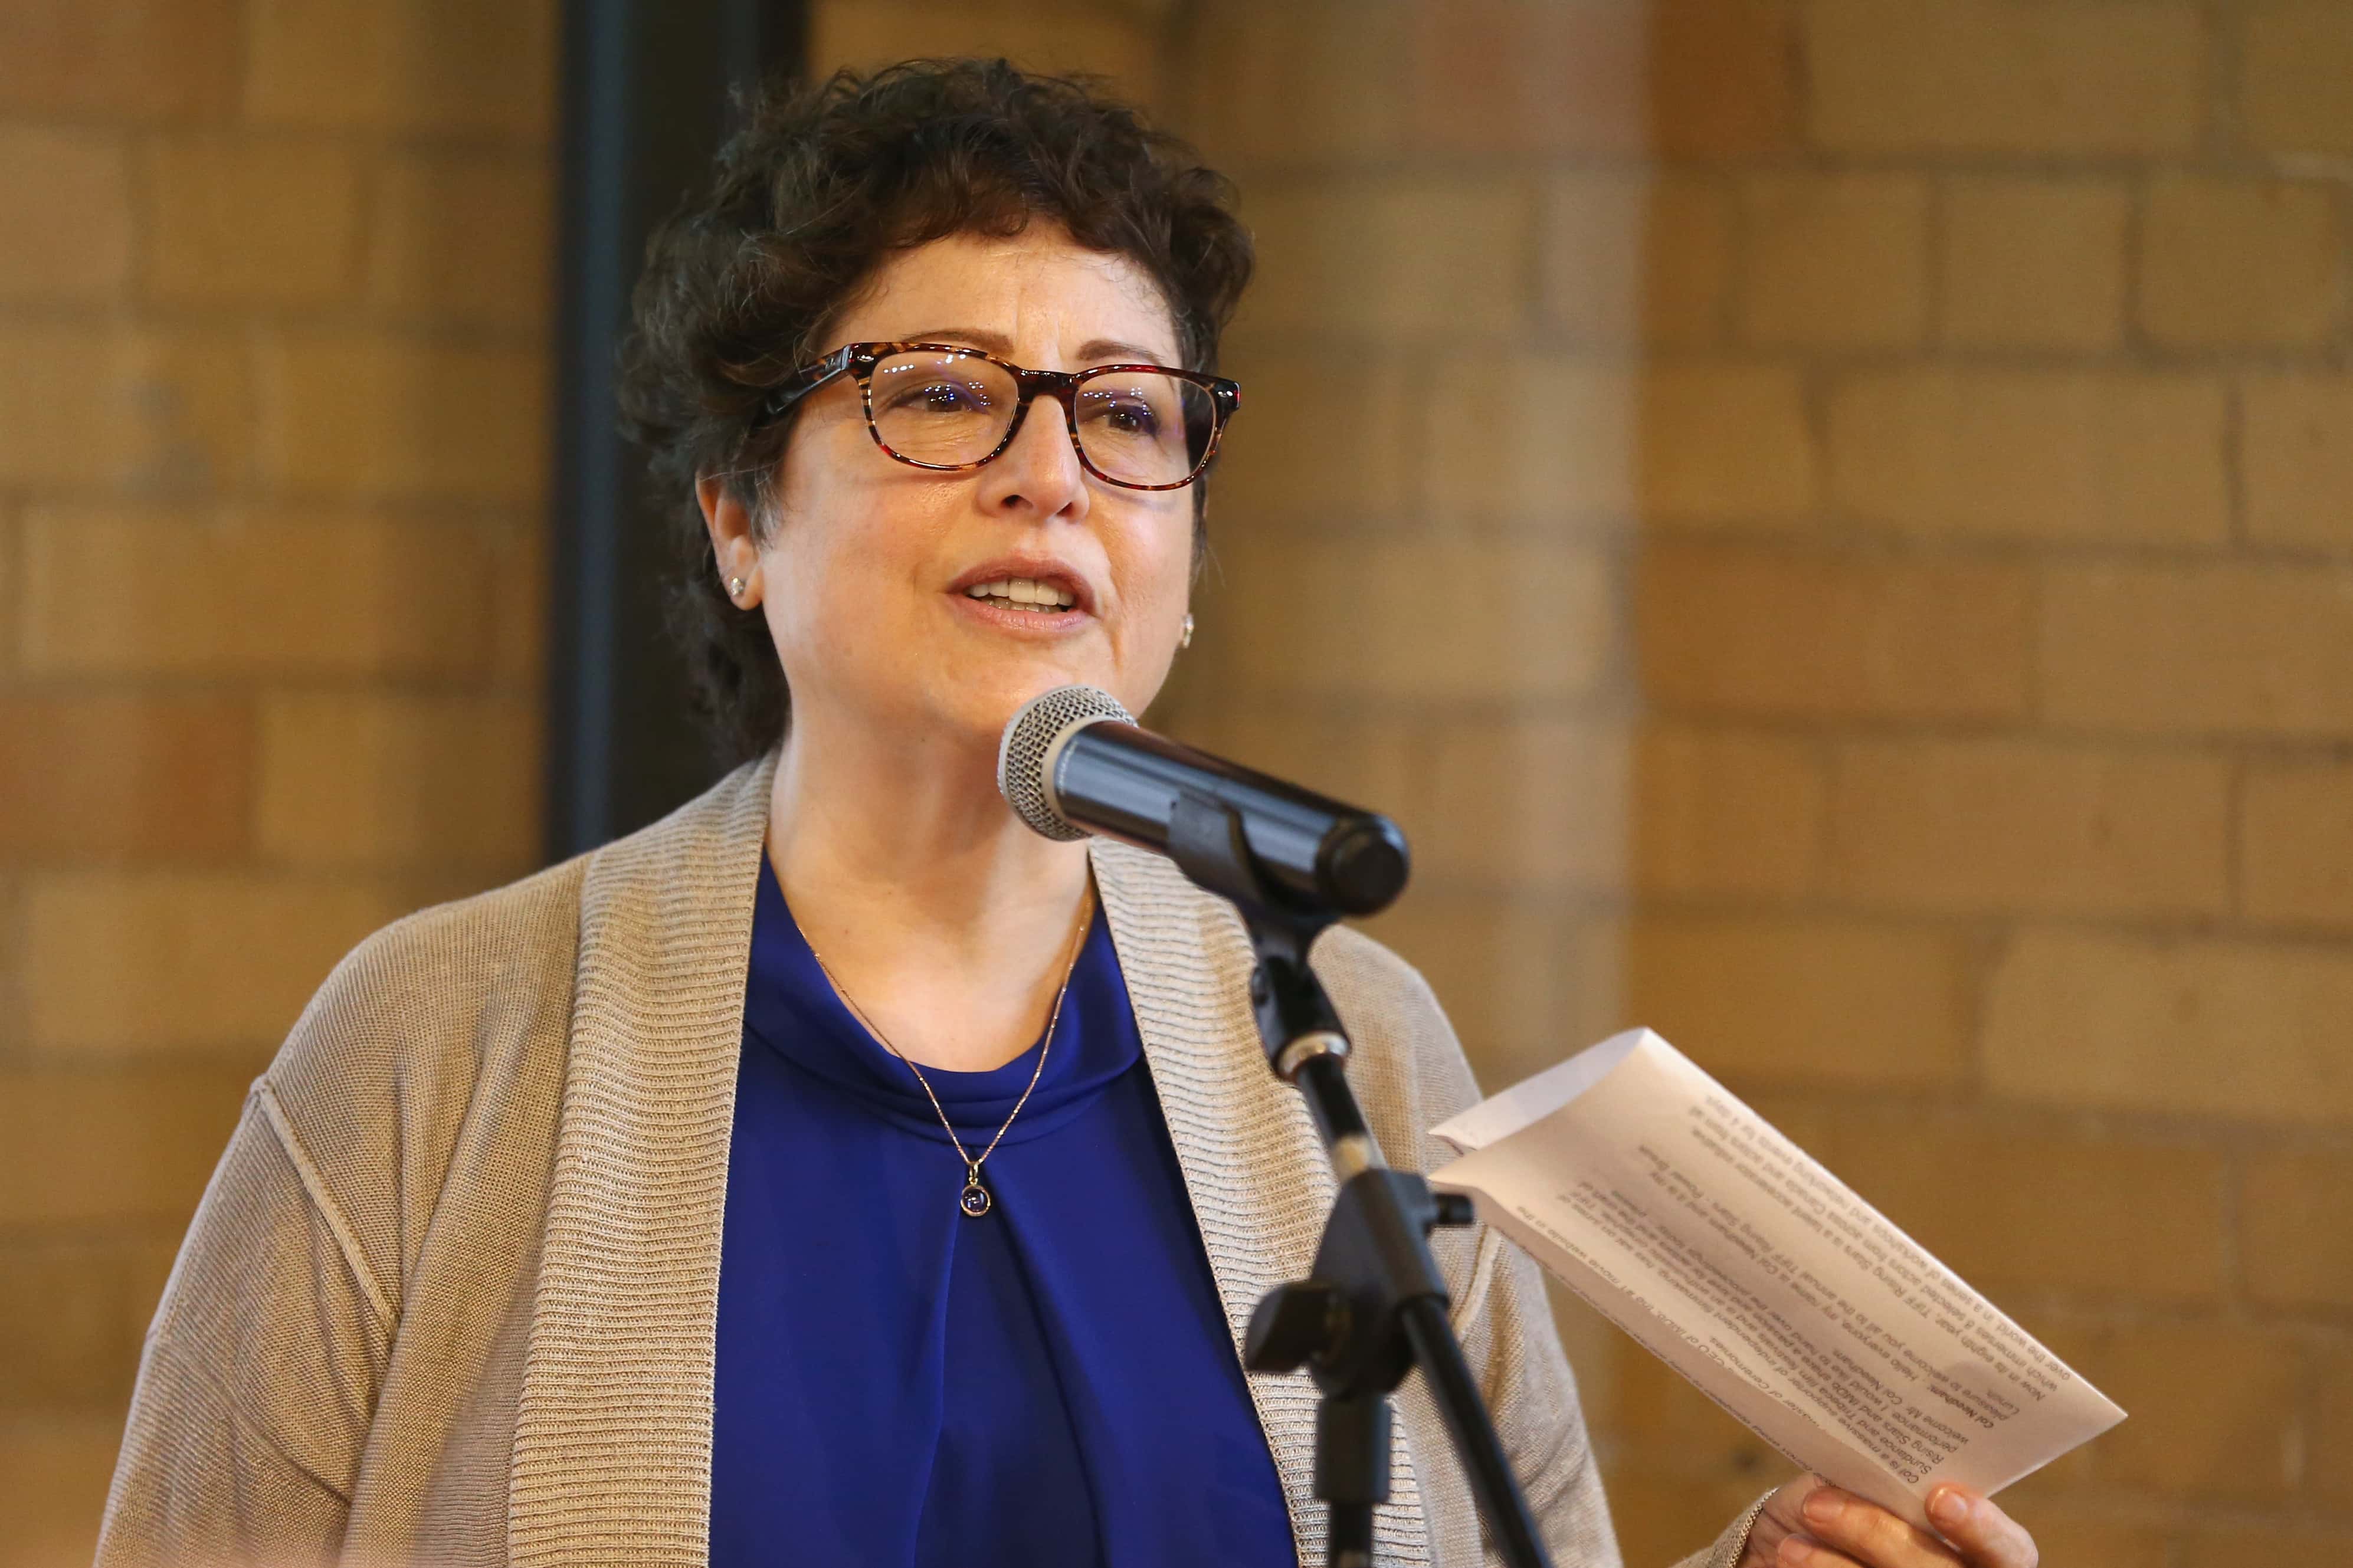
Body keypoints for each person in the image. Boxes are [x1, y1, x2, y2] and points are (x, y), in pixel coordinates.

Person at [96, 60, 2040, 1568]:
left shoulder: (1348, 1035)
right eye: (943, 393)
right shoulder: (436, 1043)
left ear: (1181, 553)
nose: (1052, 477)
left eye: (1125, 412)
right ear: (736, 519)